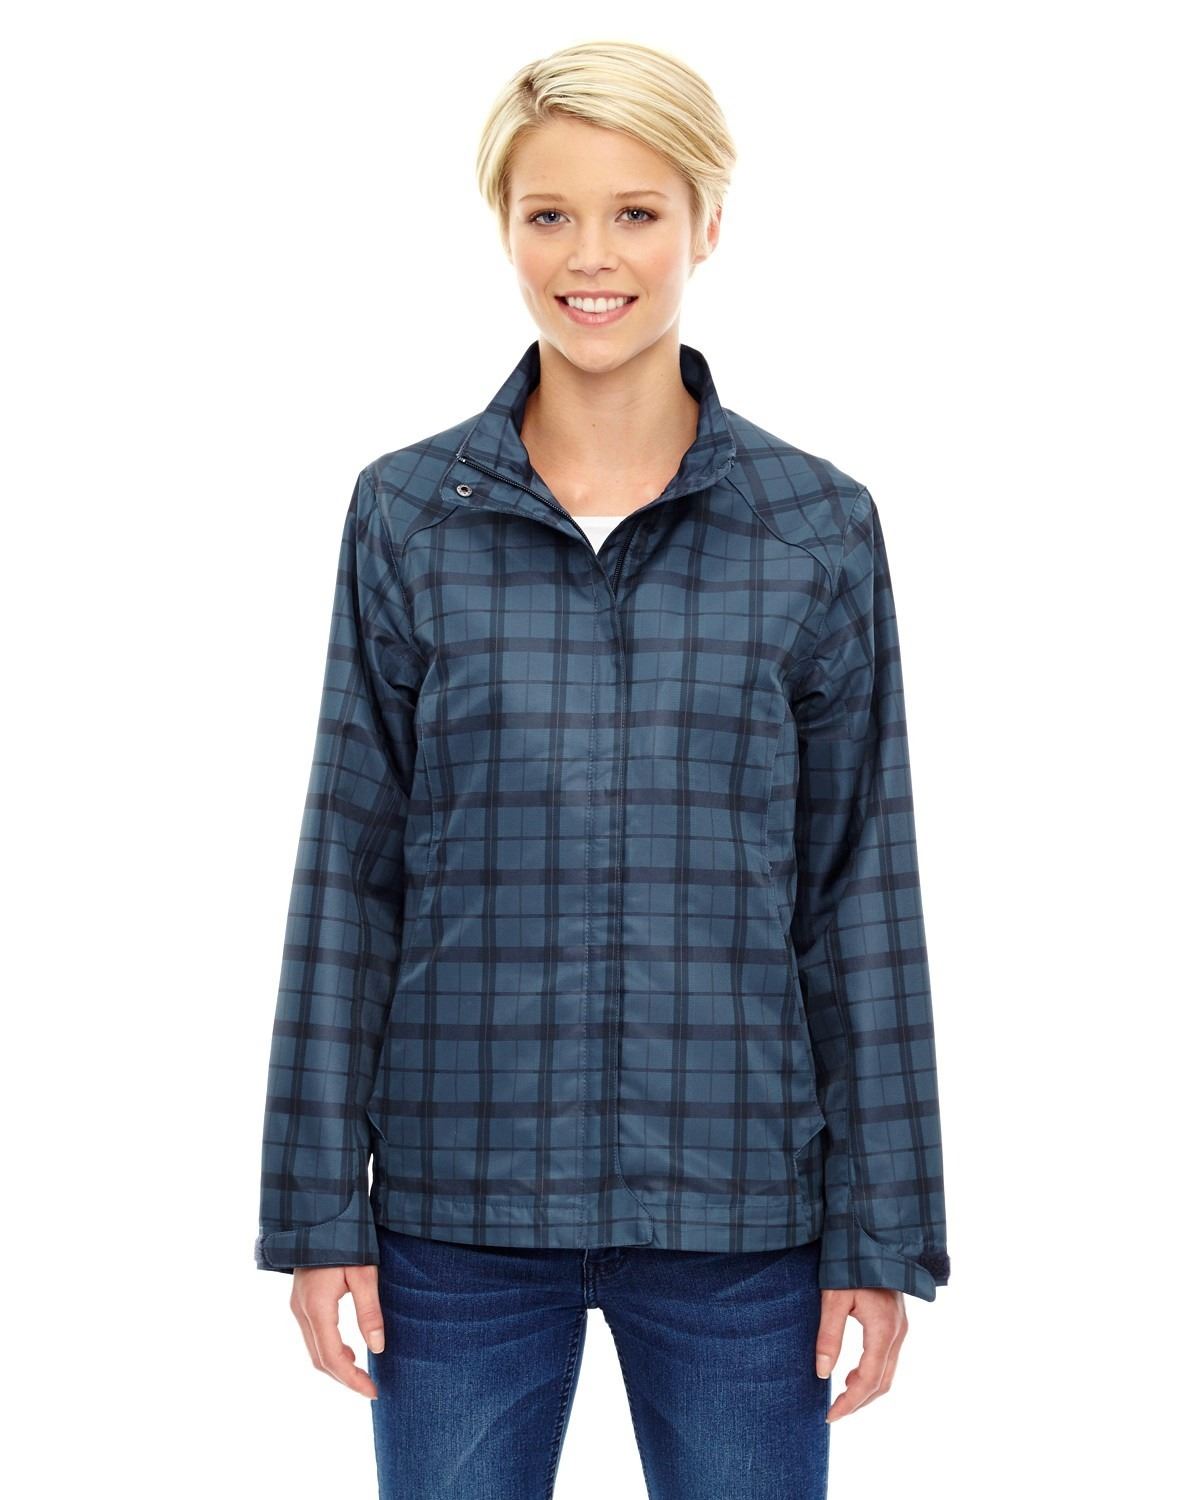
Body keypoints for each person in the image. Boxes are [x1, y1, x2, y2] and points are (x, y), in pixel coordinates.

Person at [255, 37, 951, 1500]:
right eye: (549, 214)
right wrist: (318, 1210)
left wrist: (880, 1236)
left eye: (636, 212)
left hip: (741, 1217)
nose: (591, 256)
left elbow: (859, 899)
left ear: (709, 223)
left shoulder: (815, 527)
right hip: (455, 1214)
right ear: (502, 227)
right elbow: (349, 875)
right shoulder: (408, 516)